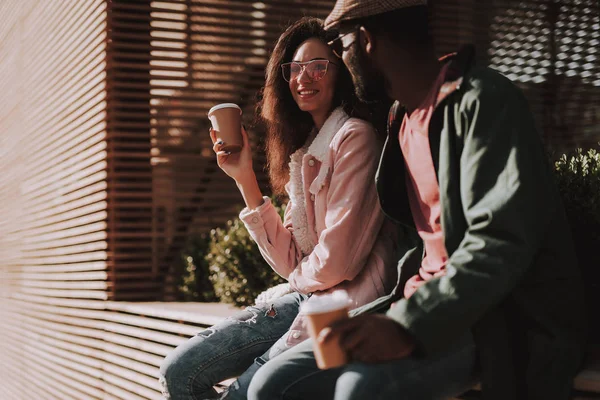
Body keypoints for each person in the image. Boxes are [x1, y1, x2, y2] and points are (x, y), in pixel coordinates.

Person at [247, 1, 588, 400]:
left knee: (360, 389)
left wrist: (407, 325)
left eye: (341, 44)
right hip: (411, 305)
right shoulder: (400, 120)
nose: (339, 59)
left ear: (367, 40)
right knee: (272, 384)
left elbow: (499, 242)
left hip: (488, 317)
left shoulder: (481, 101)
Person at [159, 17, 399, 400]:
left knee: (245, 394)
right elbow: (294, 260)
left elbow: (339, 264)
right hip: (309, 297)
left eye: (319, 65)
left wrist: (295, 281)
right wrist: (244, 178)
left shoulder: (355, 138)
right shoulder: (304, 154)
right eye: (295, 68)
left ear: (341, 74)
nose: (304, 77)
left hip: (345, 310)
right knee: (178, 372)